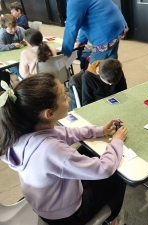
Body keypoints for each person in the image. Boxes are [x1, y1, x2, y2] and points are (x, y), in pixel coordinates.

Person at [0, 73, 128, 225]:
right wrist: (116, 141)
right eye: (63, 96)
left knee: (86, 152)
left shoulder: (22, 130)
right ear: (49, 113)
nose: (68, 98)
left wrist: (99, 130)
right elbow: (103, 169)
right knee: (119, 175)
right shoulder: (50, 148)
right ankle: (113, 218)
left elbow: (67, 133)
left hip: (45, 202)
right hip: (66, 216)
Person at [62, 0, 128, 63]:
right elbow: (85, 18)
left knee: (93, 70)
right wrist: (82, 40)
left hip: (105, 33)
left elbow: (71, 26)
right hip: (117, 26)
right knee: (111, 64)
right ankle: (114, 73)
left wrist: (65, 52)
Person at [0, 14, 26, 78]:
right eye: (11, 28)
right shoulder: (2, 34)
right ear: (4, 28)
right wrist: (13, 45)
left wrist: (26, 41)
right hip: (9, 60)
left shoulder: (20, 29)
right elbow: (1, 47)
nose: (14, 30)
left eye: (15, 26)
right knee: (21, 71)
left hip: (21, 56)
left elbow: (29, 38)